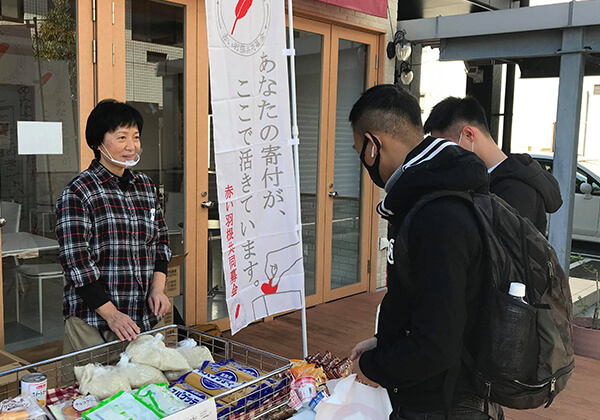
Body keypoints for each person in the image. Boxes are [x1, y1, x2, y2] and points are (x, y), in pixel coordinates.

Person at [348, 85, 503, 419]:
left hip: (446, 402)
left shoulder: (437, 214)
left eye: (360, 150)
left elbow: (435, 347)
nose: (363, 161)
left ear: (374, 146)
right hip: (442, 390)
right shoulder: (427, 195)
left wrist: (374, 367)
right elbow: (423, 300)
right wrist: (383, 342)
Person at [56, 99, 172, 353]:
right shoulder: (79, 192)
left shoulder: (146, 186)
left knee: (153, 388)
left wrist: (158, 289)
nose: (131, 147)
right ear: (98, 142)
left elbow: (161, 242)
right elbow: (76, 263)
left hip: (145, 317)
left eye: (136, 137)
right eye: (121, 137)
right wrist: (111, 314)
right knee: (97, 389)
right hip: (95, 322)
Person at [423, 96, 562, 234]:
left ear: (468, 135)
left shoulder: (516, 189)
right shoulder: (481, 179)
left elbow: (502, 251)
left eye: (444, 146)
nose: (441, 156)